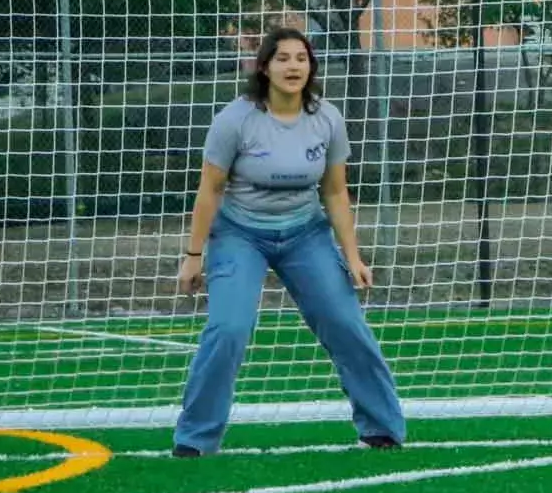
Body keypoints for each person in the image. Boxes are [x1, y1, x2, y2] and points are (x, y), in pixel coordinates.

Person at [172, 28, 407, 457]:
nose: (293, 66)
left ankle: (382, 428)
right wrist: (192, 257)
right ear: (264, 67)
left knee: (346, 323)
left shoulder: (327, 119)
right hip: (239, 235)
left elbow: (335, 193)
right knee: (228, 329)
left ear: (311, 66)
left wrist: (353, 257)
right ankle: (195, 439)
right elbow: (210, 190)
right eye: (282, 58)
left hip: (305, 234)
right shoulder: (235, 120)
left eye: (302, 58)